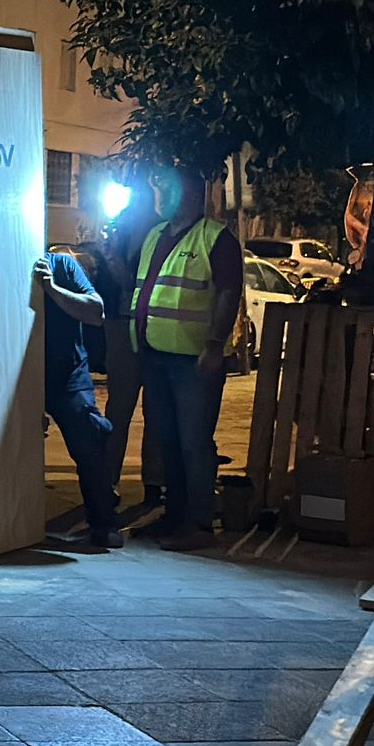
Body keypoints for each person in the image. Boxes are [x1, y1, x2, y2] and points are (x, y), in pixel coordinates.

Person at [129, 165, 242, 552]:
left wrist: (214, 345)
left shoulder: (217, 238)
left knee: (194, 443)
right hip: (156, 355)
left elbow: (229, 294)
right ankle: (174, 517)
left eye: (168, 192)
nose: (159, 197)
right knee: (168, 440)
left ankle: (199, 525)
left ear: (192, 196)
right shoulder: (156, 235)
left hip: (194, 361)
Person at [36, 252, 122, 549]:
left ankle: (104, 522)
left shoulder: (61, 265)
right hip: (18, 378)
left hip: (66, 376)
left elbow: (95, 312)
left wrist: (52, 289)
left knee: (88, 438)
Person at [96, 193, 168, 508]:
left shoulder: (160, 232)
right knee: (120, 408)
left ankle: (153, 482)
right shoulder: (121, 228)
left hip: (150, 326)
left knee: (154, 408)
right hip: (121, 325)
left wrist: (112, 260)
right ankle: (107, 480)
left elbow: (131, 283)